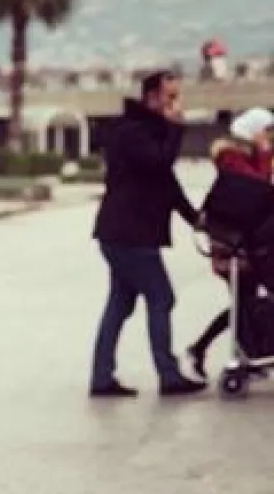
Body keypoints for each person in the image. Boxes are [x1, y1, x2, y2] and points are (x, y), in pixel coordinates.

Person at [89, 70, 206, 398]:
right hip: (129, 234)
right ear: (152, 97)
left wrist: (196, 219)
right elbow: (159, 164)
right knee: (161, 296)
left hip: (127, 233)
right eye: (171, 97)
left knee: (120, 303)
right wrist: (176, 128)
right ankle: (168, 376)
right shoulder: (134, 132)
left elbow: (166, 185)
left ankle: (101, 377)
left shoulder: (148, 130)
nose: (177, 104)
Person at [187, 107, 274, 377]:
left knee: (245, 304)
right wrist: (265, 154)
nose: (269, 136)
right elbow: (257, 188)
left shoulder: (244, 155)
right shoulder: (231, 157)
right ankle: (203, 349)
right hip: (232, 245)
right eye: (266, 131)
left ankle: (247, 355)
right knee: (242, 304)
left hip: (245, 242)